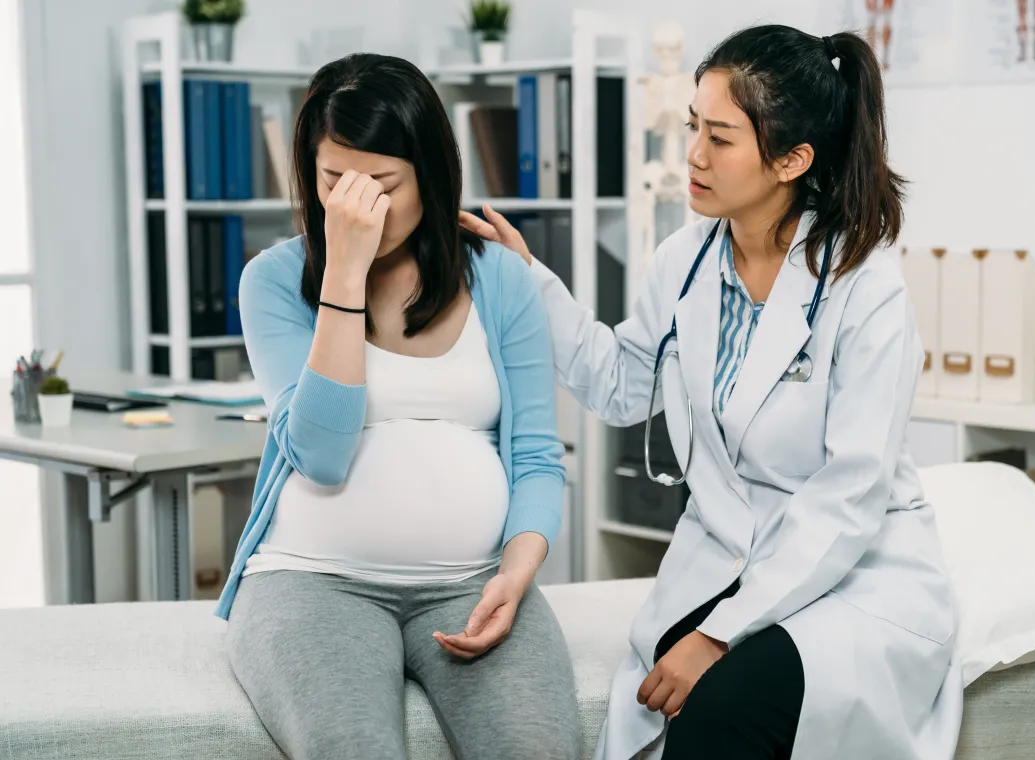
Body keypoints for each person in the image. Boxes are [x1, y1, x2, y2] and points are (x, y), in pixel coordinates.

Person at [461, 24, 962, 760]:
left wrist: (719, 632)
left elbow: (849, 497)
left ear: (792, 159)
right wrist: (531, 279)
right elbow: (623, 385)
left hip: (853, 576)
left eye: (720, 137)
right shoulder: (684, 260)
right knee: (664, 698)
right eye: (694, 125)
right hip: (724, 557)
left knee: (720, 712)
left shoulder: (864, 284)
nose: (692, 154)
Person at [215, 53, 580, 760]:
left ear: (430, 176)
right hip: (313, 582)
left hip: (471, 582)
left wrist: (516, 572)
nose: (359, 205)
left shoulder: (501, 279)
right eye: (334, 182)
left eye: (382, 184)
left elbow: (537, 454)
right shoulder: (274, 280)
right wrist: (344, 272)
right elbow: (319, 454)